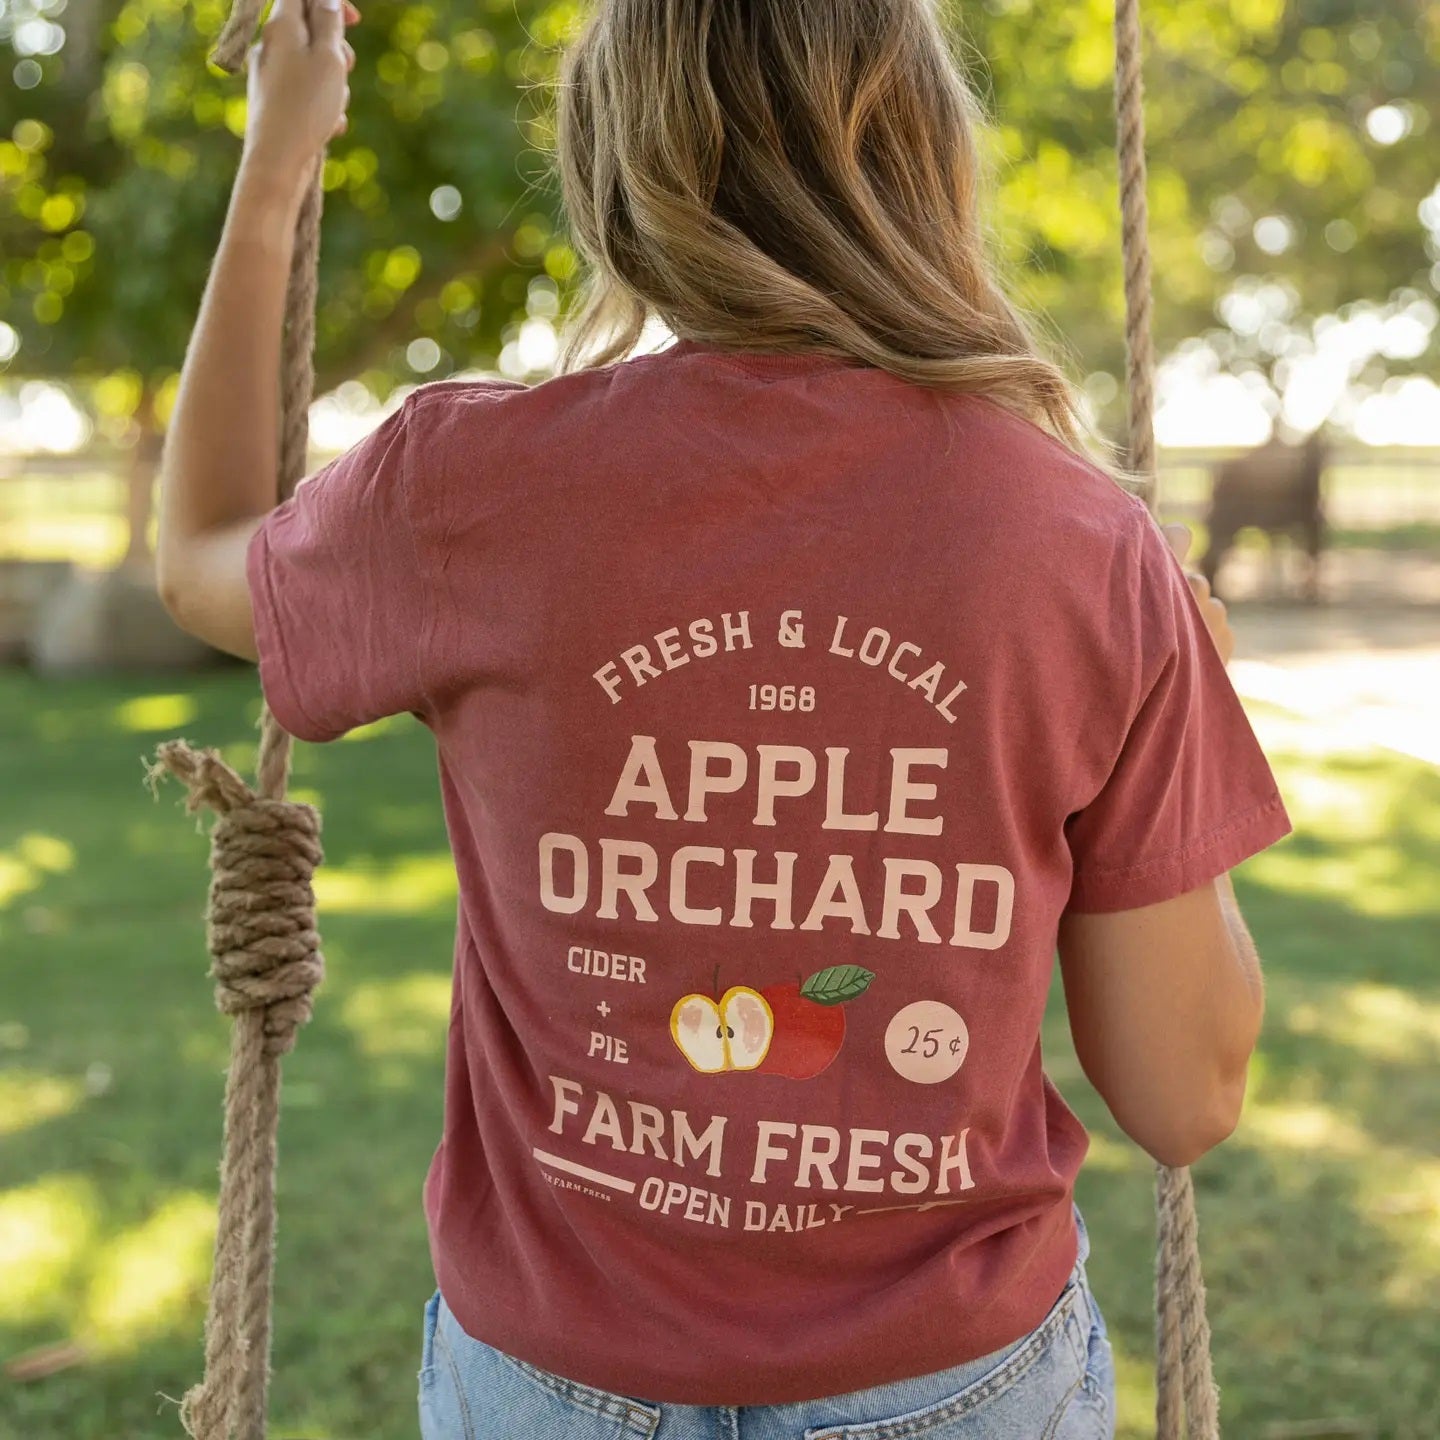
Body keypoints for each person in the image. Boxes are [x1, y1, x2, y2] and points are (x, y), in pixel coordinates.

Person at [155, 1, 1293, 1436]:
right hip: (956, 1385)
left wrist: (276, 166)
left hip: (550, 1387)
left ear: (615, 170)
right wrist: (1192, 701)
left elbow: (197, 553)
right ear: (931, 153)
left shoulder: (469, 487)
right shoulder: (1078, 539)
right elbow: (1184, 1093)